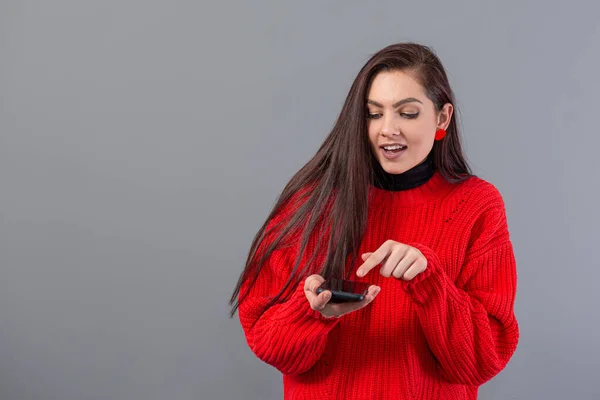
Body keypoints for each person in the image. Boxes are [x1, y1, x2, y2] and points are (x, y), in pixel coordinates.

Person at [229, 42, 519, 400]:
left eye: (407, 113)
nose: (387, 130)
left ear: (442, 118)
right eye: (373, 113)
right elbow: (269, 345)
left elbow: (481, 360)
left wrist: (430, 284)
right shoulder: (313, 201)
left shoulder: (477, 205)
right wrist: (313, 312)